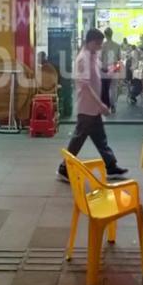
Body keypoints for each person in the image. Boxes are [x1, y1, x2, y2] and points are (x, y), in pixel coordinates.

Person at [56, 28, 128, 182]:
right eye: (98, 44)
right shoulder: (83, 59)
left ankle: (111, 166)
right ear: (90, 42)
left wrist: (113, 69)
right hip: (87, 108)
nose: (100, 46)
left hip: (93, 109)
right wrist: (101, 104)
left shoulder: (93, 56)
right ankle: (64, 168)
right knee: (78, 140)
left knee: (100, 139)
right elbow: (86, 86)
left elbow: (102, 74)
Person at [100, 27, 121, 112]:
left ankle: (106, 105)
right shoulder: (117, 45)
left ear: (105, 35)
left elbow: (100, 58)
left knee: (105, 88)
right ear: (112, 34)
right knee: (114, 88)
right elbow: (119, 58)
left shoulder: (103, 45)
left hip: (105, 69)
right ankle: (113, 106)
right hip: (114, 68)